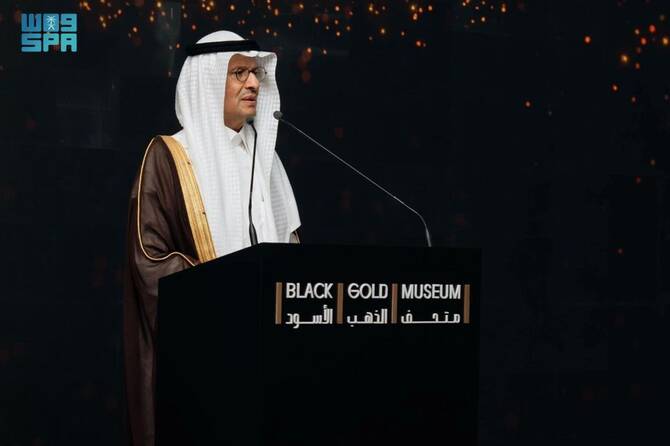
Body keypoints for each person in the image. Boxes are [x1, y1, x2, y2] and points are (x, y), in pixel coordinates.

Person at [122, 30, 301, 446]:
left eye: (256, 73)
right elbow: (149, 260)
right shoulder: (170, 156)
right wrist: (223, 299)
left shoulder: (266, 158)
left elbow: (290, 249)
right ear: (208, 80)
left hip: (266, 357)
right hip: (203, 357)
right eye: (239, 73)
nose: (253, 83)